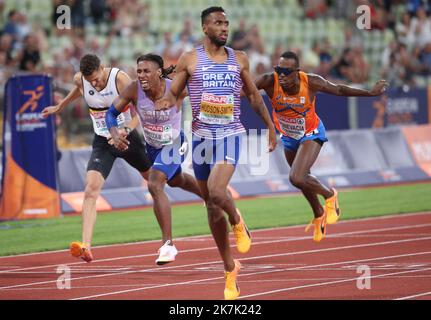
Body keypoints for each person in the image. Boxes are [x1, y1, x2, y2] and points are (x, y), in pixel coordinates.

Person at [155, 7, 277, 300]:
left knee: (217, 191)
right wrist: (166, 103)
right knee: (210, 206)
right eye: (218, 23)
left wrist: (270, 127)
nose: (224, 28)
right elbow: (176, 94)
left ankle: (237, 220)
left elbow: (252, 96)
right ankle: (229, 268)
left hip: (231, 134)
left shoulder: (240, 59)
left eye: (226, 23)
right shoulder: (190, 59)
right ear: (204, 28)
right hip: (201, 140)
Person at [255, 51, 388, 242]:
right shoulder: (269, 81)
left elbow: (340, 90)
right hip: (289, 136)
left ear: (297, 72)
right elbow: (245, 90)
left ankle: (330, 194)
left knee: (296, 177)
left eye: (286, 71)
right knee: (302, 180)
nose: (281, 75)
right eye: (279, 70)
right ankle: (319, 214)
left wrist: (369, 93)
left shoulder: (311, 82)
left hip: (312, 133)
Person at [41, 54, 152, 262]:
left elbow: (143, 111)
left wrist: (126, 129)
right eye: (90, 81)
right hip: (103, 141)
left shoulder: (119, 79)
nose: (95, 83)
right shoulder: (80, 79)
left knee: (155, 180)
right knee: (90, 190)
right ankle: (86, 246)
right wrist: (60, 106)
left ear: (103, 68)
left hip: (127, 138)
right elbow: (79, 89)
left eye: (97, 79)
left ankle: (201, 197)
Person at [106, 53, 204, 265]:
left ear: (159, 72)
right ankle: (208, 195)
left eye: (146, 71)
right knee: (176, 180)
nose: (141, 75)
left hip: (175, 142)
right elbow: (110, 114)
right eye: (139, 71)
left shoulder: (174, 88)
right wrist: (114, 134)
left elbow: (202, 92)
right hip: (152, 146)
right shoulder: (133, 89)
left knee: (155, 183)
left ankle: (168, 245)